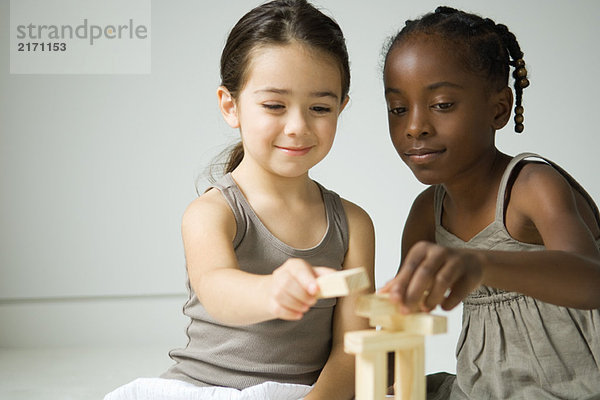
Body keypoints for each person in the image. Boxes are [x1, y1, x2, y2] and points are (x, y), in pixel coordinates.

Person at [104, 1, 375, 399]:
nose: (298, 127)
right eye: (274, 106)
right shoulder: (212, 213)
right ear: (231, 106)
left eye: (320, 108)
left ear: (341, 108)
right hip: (206, 388)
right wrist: (273, 293)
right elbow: (217, 290)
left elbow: (353, 345)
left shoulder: (354, 223)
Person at [379, 6, 600, 400]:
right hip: (480, 391)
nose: (414, 126)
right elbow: (401, 322)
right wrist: (377, 383)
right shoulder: (427, 213)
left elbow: (591, 279)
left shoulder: (532, 185)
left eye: (442, 104)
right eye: (398, 109)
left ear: (498, 108)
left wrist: (480, 263)